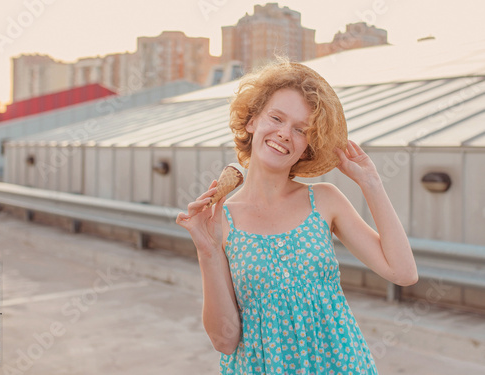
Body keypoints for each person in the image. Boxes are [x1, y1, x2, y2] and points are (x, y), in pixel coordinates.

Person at [176, 60, 418, 374]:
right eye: (276, 118)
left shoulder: (325, 200)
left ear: (306, 147)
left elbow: (404, 273)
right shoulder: (219, 220)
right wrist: (207, 251)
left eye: (300, 129)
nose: (284, 134)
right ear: (252, 121)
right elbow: (225, 341)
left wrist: (371, 183)